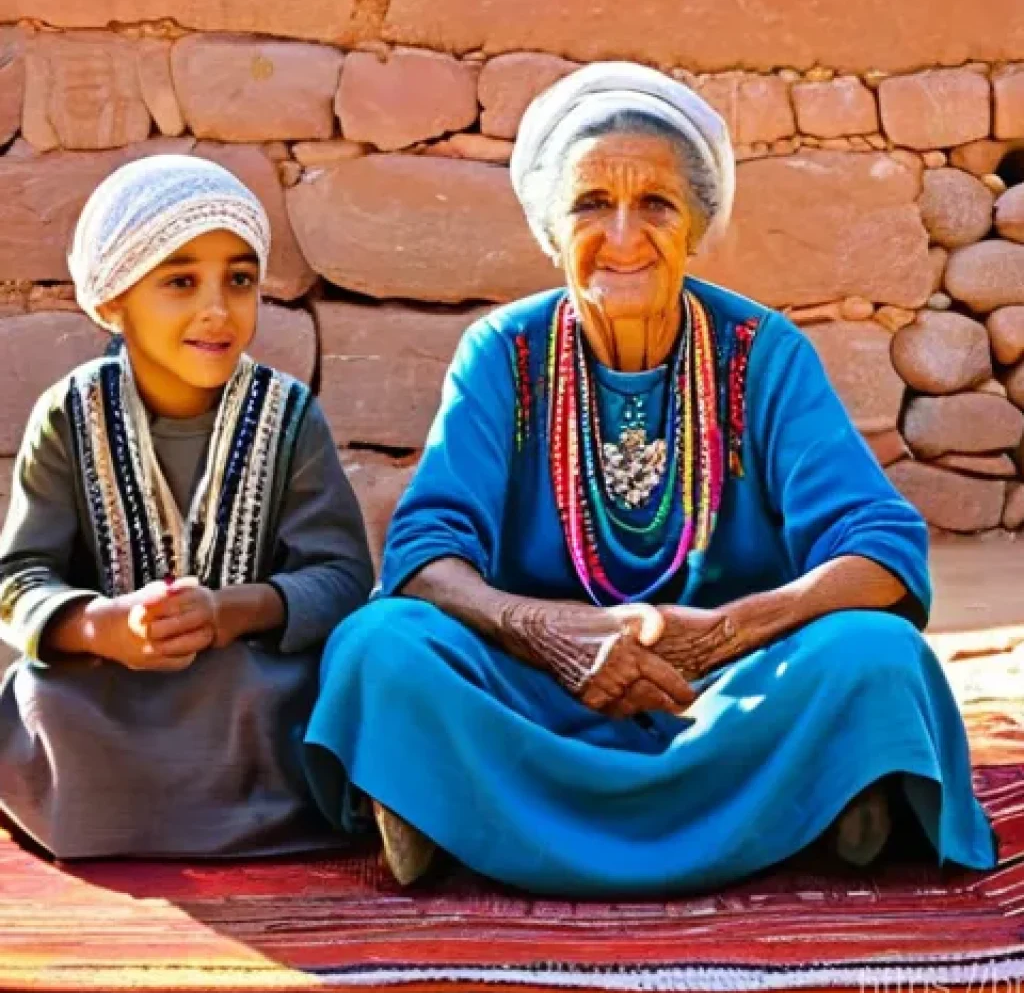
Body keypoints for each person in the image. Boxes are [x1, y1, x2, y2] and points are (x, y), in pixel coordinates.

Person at [304, 62, 997, 895]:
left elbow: (882, 546)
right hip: (537, 690)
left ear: (696, 225)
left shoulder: (760, 353)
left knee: (876, 652)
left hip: (725, 693)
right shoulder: (506, 354)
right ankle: (811, 801)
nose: (624, 235)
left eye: (656, 205)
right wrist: (545, 631)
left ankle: (462, 807)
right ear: (550, 231)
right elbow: (425, 548)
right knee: (380, 647)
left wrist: (734, 628)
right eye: (592, 204)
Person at [0, 155, 374, 858]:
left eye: (239, 280)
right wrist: (98, 628)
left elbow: (343, 578)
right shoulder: (69, 415)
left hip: (245, 683)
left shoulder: (287, 415)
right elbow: (19, 578)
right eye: (180, 281)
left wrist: (228, 614)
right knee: (45, 699)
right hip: (108, 688)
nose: (217, 309)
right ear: (114, 300)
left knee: (285, 695)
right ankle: (101, 815)